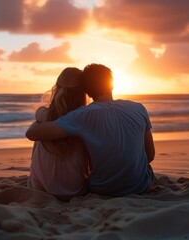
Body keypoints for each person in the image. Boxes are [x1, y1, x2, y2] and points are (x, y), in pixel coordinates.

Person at [26, 63, 155, 197]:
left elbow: (33, 134)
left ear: (87, 91)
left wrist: (41, 115)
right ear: (112, 84)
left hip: (102, 189)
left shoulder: (82, 115)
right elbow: (150, 155)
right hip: (140, 186)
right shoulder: (139, 108)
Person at [27, 67, 90, 200]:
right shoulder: (85, 118)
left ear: (57, 87)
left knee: (40, 128)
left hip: (42, 190)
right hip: (76, 191)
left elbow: (37, 121)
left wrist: (40, 122)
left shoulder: (44, 114)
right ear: (83, 92)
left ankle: (38, 178)